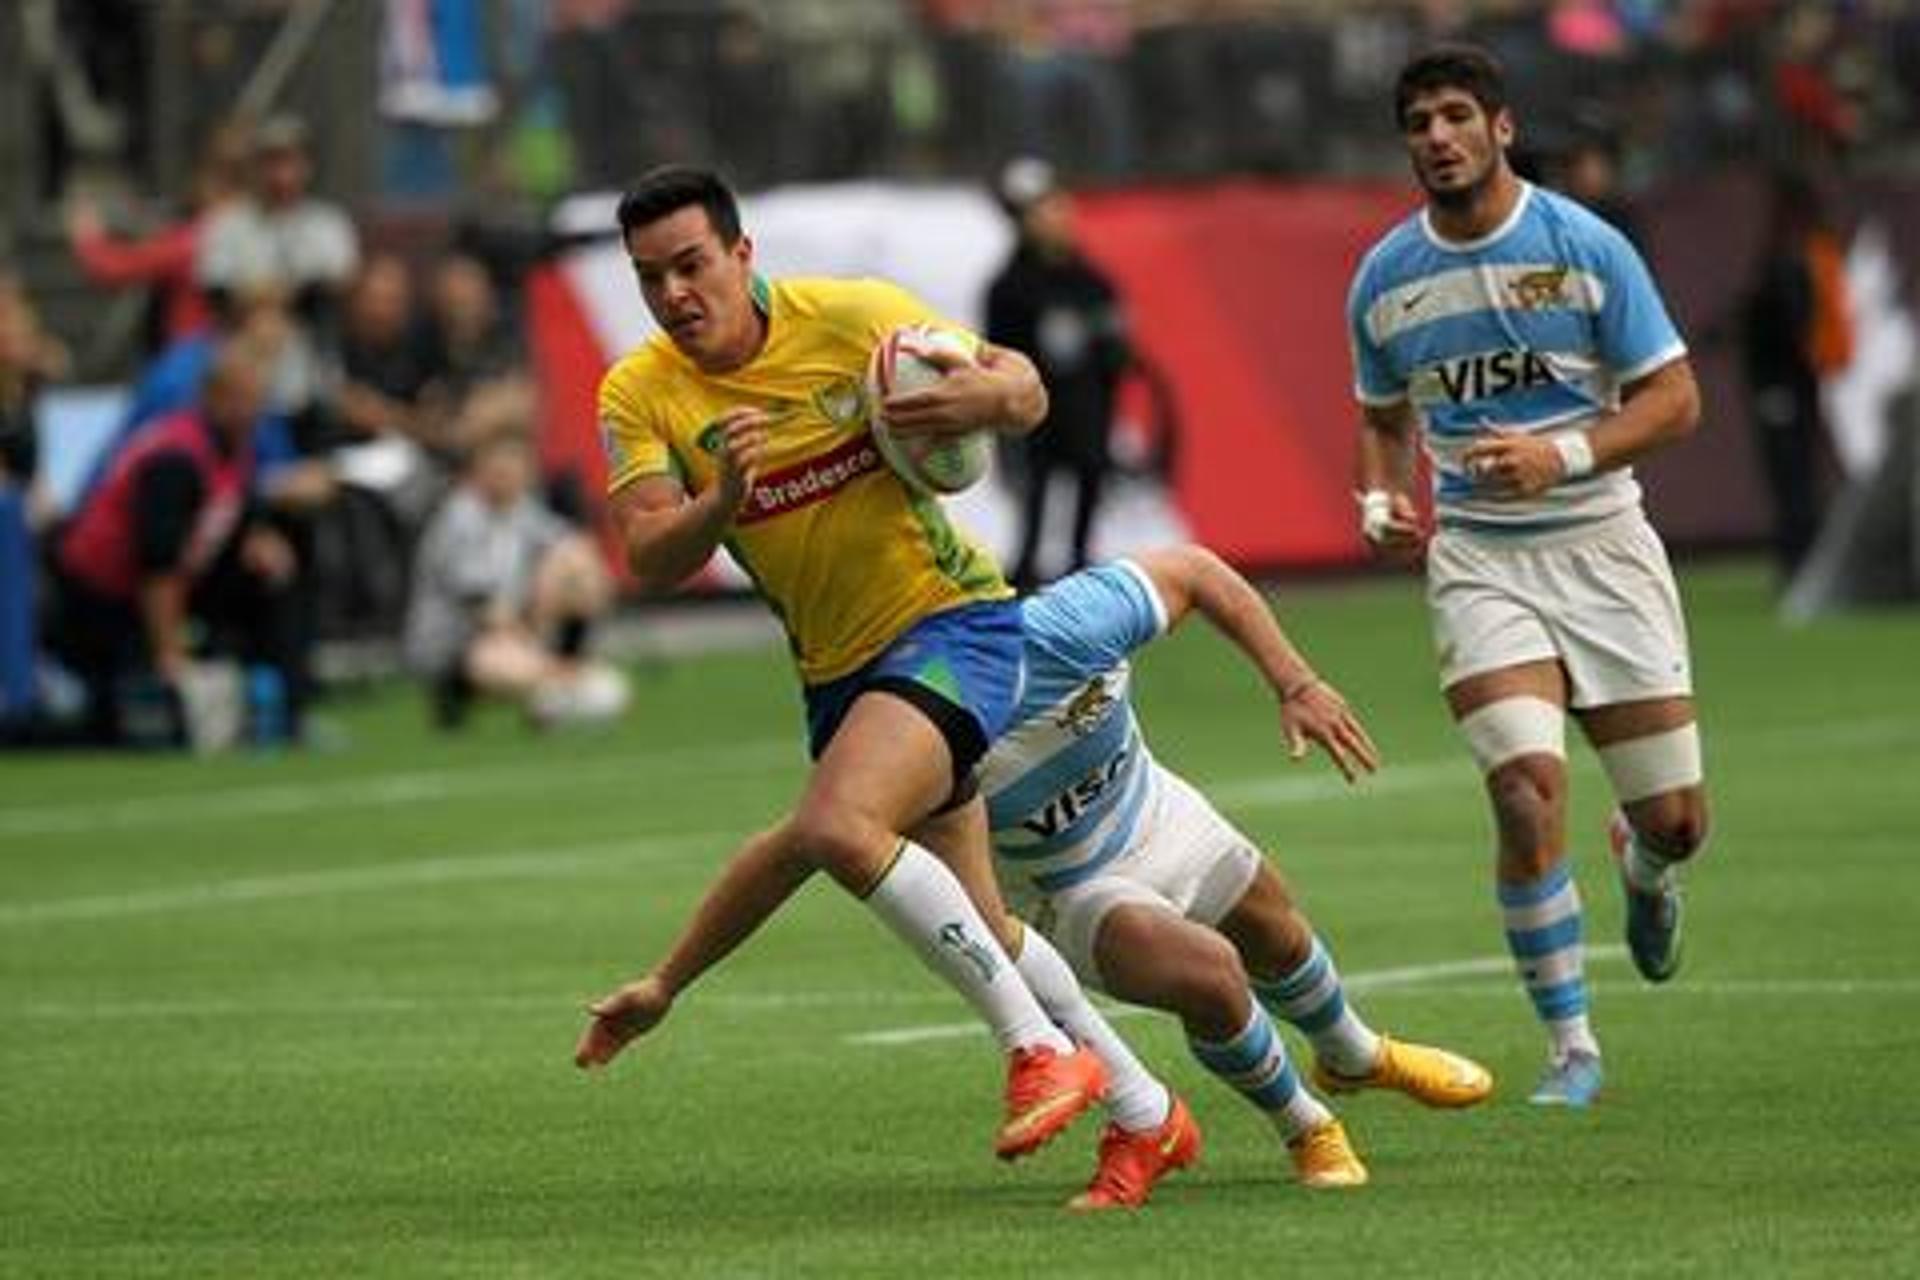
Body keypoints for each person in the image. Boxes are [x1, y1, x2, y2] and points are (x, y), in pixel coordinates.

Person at [579, 165, 1113, 1165]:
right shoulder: (639, 389)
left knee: (835, 823)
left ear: (742, 255)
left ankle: (1037, 1048)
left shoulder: (855, 318)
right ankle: (1144, 1109)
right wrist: (725, 491)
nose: (672, 295)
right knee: (983, 922)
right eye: (650, 277)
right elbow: (652, 555)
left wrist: (975, 399)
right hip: (837, 674)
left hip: (954, 627)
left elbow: (1025, 388)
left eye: (691, 265)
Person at [1348, 45, 1709, 1108]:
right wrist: (1377, 498)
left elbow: (1677, 398)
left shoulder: (1585, 247)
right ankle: (1572, 1046)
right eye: (1420, 121)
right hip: (1480, 559)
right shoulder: (1384, 277)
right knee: (1522, 784)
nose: (1439, 137)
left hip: (1602, 543)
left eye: (1458, 115)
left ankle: (1646, 869)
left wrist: (1567, 453)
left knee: (1679, 817)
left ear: (1500, 128)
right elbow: (1381, 418)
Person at [979, 546, 1493, 1203]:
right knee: (1211, 975)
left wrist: (1297, 684)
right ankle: (1306, 1124)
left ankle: (1354, 1056)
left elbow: (1198, 573)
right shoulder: (930, 722)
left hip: (1156, 811)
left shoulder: (1067, 624)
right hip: (1065, 887)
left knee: (1274, 932)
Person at [48, 338, 302, 747]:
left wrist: (257, 540)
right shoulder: (175, 457)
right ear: (213, 398)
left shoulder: (236, 446)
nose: (253, 412)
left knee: (278, 575)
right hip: (96, 595)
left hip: (166, 579)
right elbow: (157, 561)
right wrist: (170, 654)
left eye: (258, 400)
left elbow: (231, 508)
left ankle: (287, 708)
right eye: (243, 399)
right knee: (113, 726)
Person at [403, 421, 627, 730]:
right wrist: (539, 649)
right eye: (498, 466)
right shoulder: (460, 520)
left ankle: (559, 681)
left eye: (515, 465)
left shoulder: (523, 511)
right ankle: (557, 683)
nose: (507, 474)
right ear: (478, 471)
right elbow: (485, 610)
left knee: (575, 559)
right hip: (461, 645)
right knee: (504, 663)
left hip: (516, 632)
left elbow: (575, 551)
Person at [986, 157, 1129, 590]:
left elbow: (1114, 350)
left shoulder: (1093, 282)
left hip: (1085, 411)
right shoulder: (1008, 287)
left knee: (1087, 484)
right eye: (1037, 211)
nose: (1051, 218)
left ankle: (1081, 569)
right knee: (1034, 494)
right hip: (1032, 421)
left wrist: (1105, 403)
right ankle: (1027, 574)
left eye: (1054, 206)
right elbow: (996, 358)